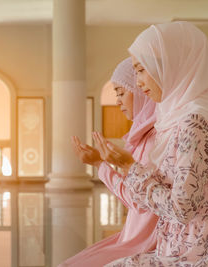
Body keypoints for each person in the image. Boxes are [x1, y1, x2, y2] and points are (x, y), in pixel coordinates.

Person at [96, 21, 208, 266]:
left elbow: (181, 208)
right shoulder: (175, 118)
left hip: (202, 254)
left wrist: (129, 166)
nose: (140, 82)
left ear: (167, 65)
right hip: (178, 247)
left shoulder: (193, 121)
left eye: (141, 69)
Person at [60, 58, 159, 267]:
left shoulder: (154, 139)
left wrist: (101, 165)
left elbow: (136, 201)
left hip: (144, 243)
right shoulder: (143, 136)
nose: (118, 101)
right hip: (132, 237)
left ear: (142, 91)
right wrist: (100, 164)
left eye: (122, 93)